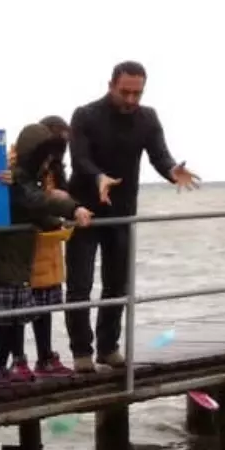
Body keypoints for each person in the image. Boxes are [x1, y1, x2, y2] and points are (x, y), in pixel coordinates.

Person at [65, 61, 201, 372]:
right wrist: (99, 176)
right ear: (111, 85)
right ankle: (81, 352)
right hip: (84, 209)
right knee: (79, 286)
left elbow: (159, 155)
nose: (130, 100)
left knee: (117, 285)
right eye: (124, 92)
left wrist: (171, 171)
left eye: (136, 93)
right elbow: (79, 158)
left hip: (123, 212)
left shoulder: (147, 118)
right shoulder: (85, 115)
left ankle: (108, 347)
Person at [0, 123, 93, 388]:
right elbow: (35, 201)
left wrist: (56, 223)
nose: (48, 164)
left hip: (18, 263)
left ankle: (2, 368)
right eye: (45, 158)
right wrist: (72, 208)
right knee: (1, 321)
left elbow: (38, 212)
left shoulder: (27, 180)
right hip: (1, 260)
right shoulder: (15, 178)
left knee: (13, 318)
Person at [9, 116, 77, 381]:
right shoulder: (17, 167)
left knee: (46, 303)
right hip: (26, 245)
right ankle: (18, 358)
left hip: (49, 243)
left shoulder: (55, 167)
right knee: (21, 307)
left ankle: (45, 355)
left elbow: (62, 193)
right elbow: (31, 201)